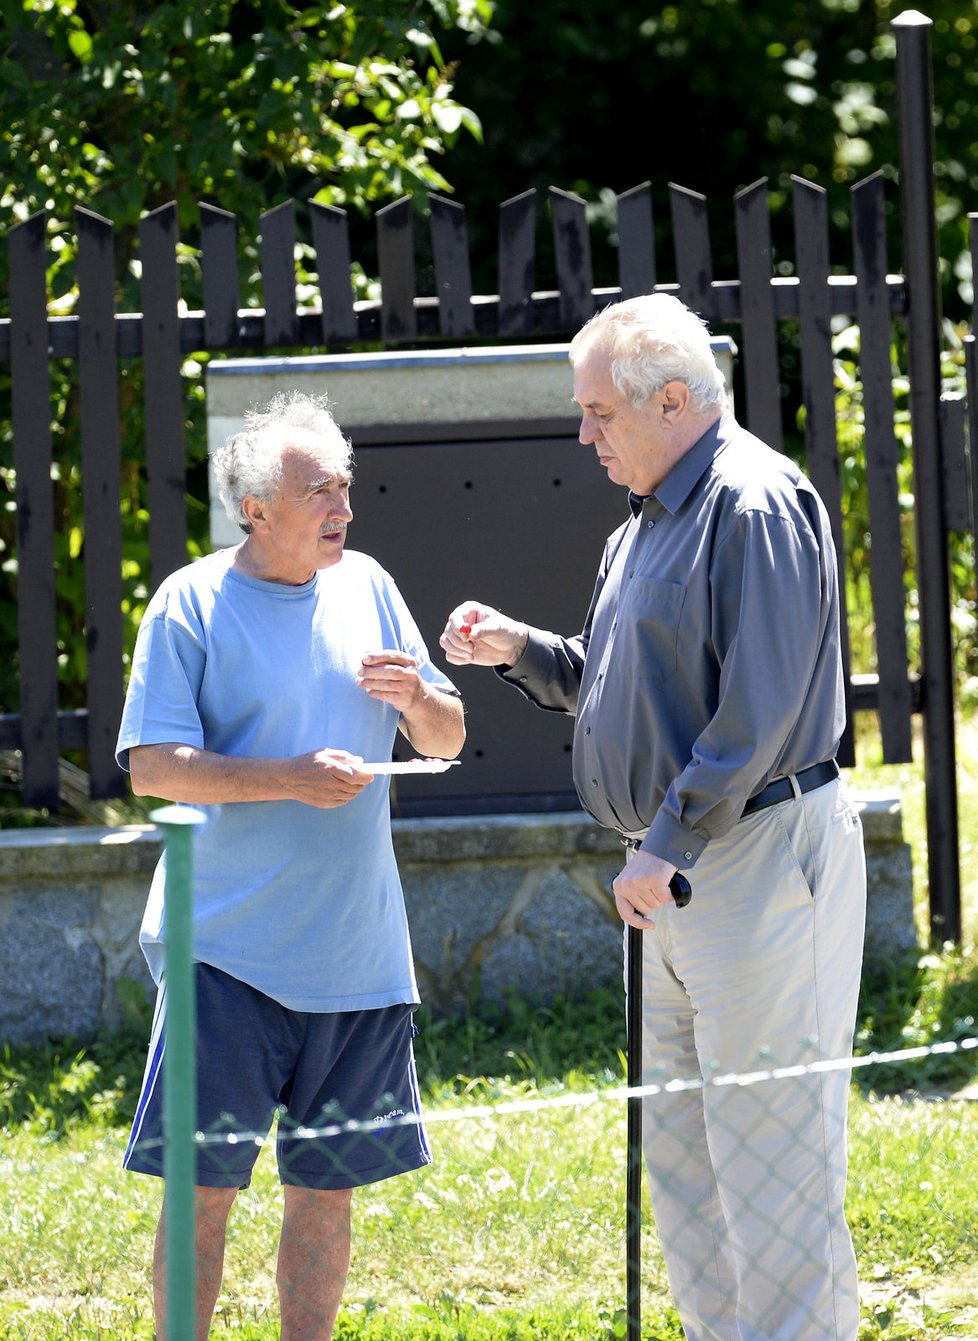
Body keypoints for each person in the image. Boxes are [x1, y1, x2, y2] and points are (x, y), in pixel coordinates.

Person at [440, 293, 867, 1341]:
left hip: (750, 852)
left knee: (772, 1159)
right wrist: (525, 652)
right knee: (687, 1163)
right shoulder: (648, 519)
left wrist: (665, 845)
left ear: (670, 399)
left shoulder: (754, 503)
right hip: (670, 873)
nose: (583, 435)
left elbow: (757, 711)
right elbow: (627, 684)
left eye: (598, 413)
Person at [117, 389, 465, 1341]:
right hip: (223, 952)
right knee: (204, 1191)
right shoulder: (187, 602)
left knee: (326, 1193)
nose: (343, 507)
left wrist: (417, 702)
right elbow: (152, 766)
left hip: (356, 954)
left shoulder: (370, 585)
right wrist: (289, 778)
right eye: (319, 490)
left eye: (345, 486)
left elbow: (448, 734)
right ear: (255, 506)